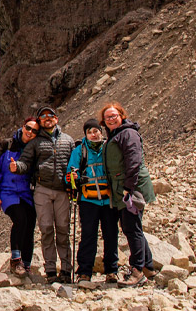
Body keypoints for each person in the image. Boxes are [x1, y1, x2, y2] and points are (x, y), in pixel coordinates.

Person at [9, 106, 75, 283]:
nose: (47, 118)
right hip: (42, 190)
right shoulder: (35, 143)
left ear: (56, 119)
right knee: (46, 229)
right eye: (43, 116)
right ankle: (51, 270)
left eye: (50, 116)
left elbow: (75, 163)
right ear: (40, 121)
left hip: (62, 190)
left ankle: (66, 269)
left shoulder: (68, 141)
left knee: (63, 229)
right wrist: (17, 168)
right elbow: (26, 163)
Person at [101, 102, 157, 285]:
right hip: (123, 187)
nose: (110, 119)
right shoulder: (117, 134)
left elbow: (134, 160)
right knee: (131, 227)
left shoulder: (128, 133)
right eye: (107, 117)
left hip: (131, 188)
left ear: (122, 116)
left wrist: (129, 188)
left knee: (132, 228)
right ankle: (148, 266)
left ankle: (137, 270)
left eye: (114, 115)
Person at [68, 119, 120, 283]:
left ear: (101, 132)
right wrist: (73, 178)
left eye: (96, 131)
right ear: (86, 134)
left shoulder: (109, 147)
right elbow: (69, 174)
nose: (93, 134)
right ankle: (84, 271)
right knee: (88, 235)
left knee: (111, 234)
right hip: (88, 200)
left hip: (108, 199)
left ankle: (111, 270)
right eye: (90, 132)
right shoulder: (79, 151)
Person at [0, 117, 38, 277]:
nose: (30, 132)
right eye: (28, 128)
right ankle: (16, 260)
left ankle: (27, 264)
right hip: (8, 192)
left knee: (30, 224)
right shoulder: (6, 145)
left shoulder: (34, 149)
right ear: (23, 127)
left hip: (26, 193)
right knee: (20, 219)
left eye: (34, 131)